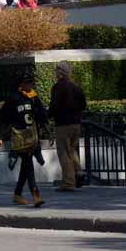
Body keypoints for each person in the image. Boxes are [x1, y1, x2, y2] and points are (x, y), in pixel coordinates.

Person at [0, 75, 47, 207]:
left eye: (32, 82)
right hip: (20, 137)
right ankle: (36, 195)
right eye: (28, 83)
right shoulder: (13, 98)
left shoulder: (33, 97)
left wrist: (45, 128)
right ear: (20, 84)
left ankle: (17, 194)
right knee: (28, 164)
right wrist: (1, 137)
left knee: (26, 167)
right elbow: (4, 117)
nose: (31, 85)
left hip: (32, 136)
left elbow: (42, 115)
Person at [49, 61, 87, 192]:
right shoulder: (76, 87)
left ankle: (68, 183)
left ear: (59, 72)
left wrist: (47, 116)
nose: (55, 73)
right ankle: (79, 172)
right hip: (76, 123)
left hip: (63, 124)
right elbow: (83, 105)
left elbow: (54, 106)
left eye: (56, 71)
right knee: (72, 150)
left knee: (63, 153)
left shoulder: (58, 87)